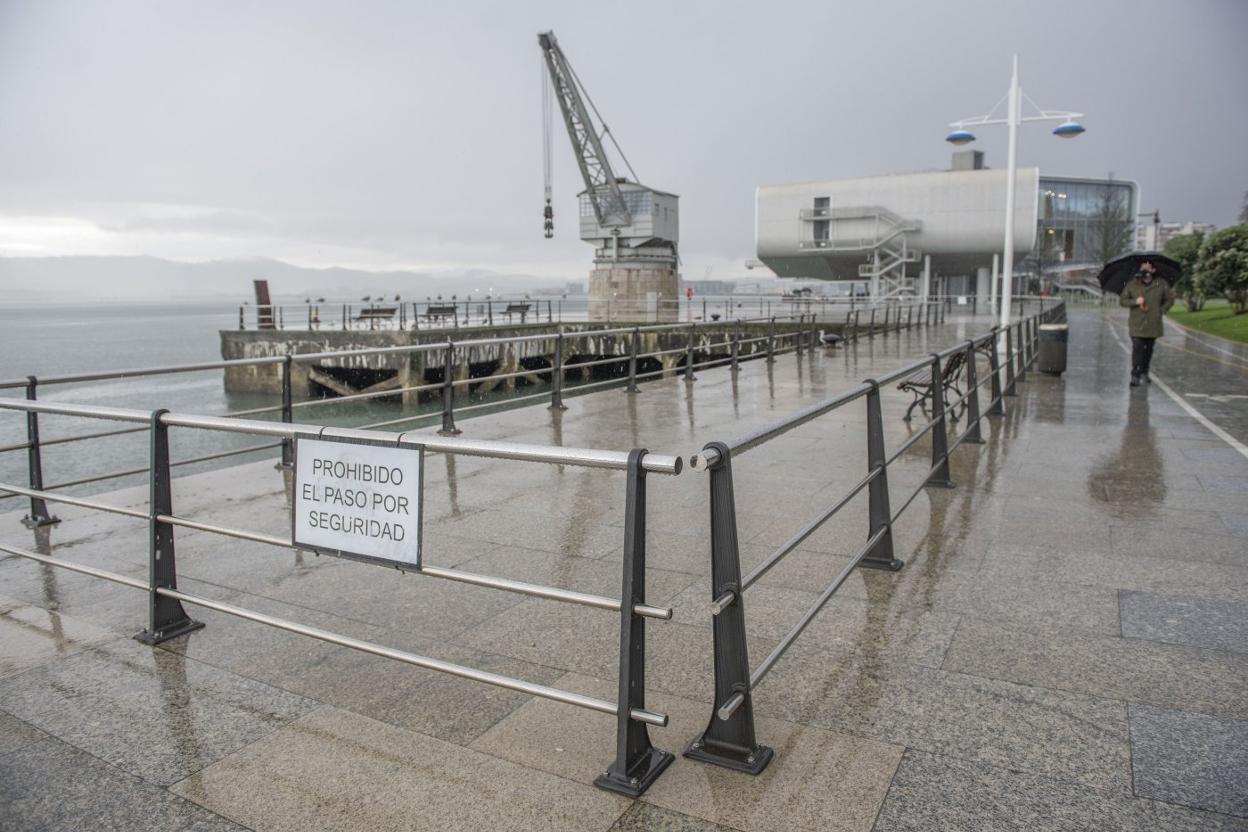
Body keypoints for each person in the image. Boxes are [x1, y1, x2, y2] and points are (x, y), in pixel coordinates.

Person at [1119, 261, 1176, 387]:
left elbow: (1170, 299)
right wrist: (1135, 301)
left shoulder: (1161, 284)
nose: (1145, 270)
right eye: (1142, 267)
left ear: (1153, 270)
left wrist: (1161, 310)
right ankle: (1135, 374)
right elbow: (1123, 301)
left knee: (1148, 350)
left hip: (1153, 324)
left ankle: (1144, 371)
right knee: (1137, 348)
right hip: (1137, 324)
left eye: (1148, 268)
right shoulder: (1132, 285)